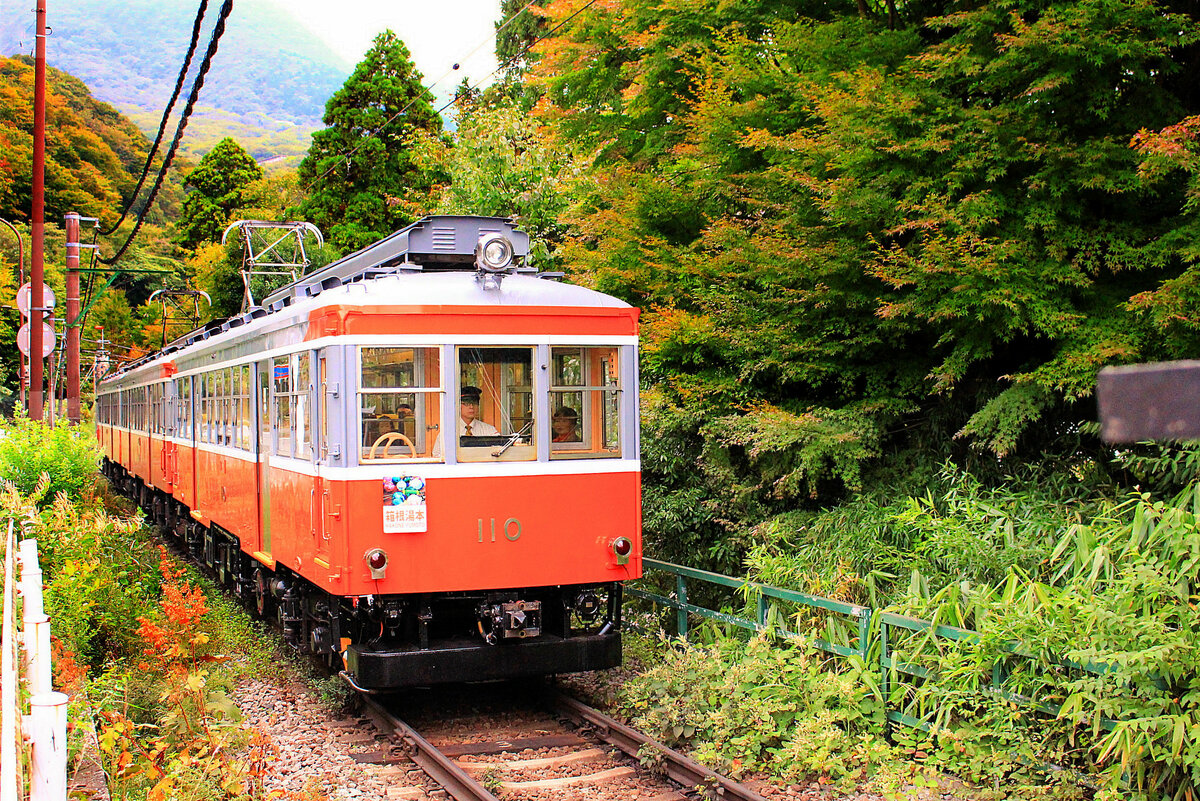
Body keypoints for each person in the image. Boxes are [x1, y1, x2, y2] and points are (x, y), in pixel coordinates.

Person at [432, 386, 499, 457]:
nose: (471, 407)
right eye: (466, 403)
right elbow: (437, 455)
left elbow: (500, 449)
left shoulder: (489, 430)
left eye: (474, 403)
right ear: (458, 405)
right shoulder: (448, 432)